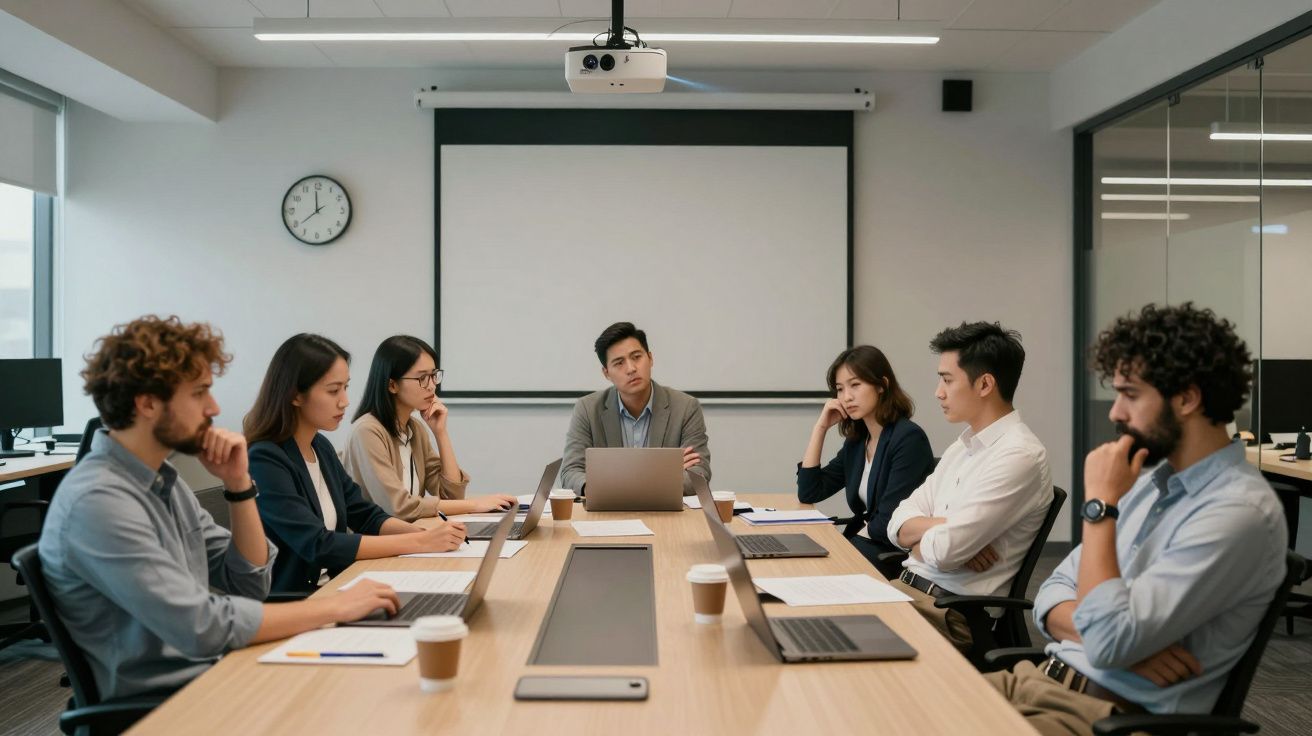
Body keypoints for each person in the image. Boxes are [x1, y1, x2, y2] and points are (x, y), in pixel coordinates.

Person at [38, 316, 401, 701]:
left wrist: (239, 487)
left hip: (216, 672)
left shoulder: (164, 482)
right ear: (146, 404)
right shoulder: (99, 502)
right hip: (165, 705)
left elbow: (249, 583)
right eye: (199, 393)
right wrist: (335, 607)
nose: (213, 407)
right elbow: (201, 626)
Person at [986, 303, 1287, 736]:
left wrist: (1100, 508)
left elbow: (1108, 640)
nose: (1115, 413)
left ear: (1186, 397)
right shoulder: (1146, 483)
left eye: (1130, 394)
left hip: (1104, 718)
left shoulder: (1238, 512)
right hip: (1038, 681)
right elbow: (1052, 594)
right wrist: (1112, 641)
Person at [246, 333, 467, 593]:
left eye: (346, 388)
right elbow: (318, 545)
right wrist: (420, 542)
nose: (345, 401)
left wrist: (421, 534)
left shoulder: (320, 447)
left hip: (338, 587)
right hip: (298, 601)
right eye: (333, 391)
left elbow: (366, 515)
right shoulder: (265, 459)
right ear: (295, 395)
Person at [887, 321, 1053, 652]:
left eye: (947, 379)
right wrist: (943, 527)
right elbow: (896, 523)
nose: (938, 391)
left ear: (985, 384)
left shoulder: (1018, 456)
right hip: (905, 593)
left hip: (949, 617)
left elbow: (946, 552)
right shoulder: (963, 445)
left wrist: (921, 540)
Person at [343, 335, 515, 521]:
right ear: (392, 385)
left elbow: (451, 496)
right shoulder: (367, 431)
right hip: (379, 544)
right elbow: (398, 508)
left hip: (409, 537)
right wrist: (475, 505)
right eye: (422, 378)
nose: (432, 386)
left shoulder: (414, 429)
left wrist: (440, 433)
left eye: (434, 376)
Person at [797, 345, 934, 563]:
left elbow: (889, 519)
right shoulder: (858, 442)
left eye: (855, 385)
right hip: (866, 544)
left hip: (892, 553)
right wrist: (820, 428)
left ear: (882, 385)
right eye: (840, 389)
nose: (846, 397)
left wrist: (843, 547)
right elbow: (809, 491)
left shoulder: (908, 439)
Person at [561, 321, 710, 495]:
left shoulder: (685, 407)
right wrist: (664, 476)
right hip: (609, 515)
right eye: (619, 363)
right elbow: (570, 473)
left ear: (650, 358)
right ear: (606, 373)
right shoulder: (587, 409)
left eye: (636, 357)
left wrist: (613, 485)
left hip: (665, 516)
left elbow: (699, 475)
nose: (631, 368)